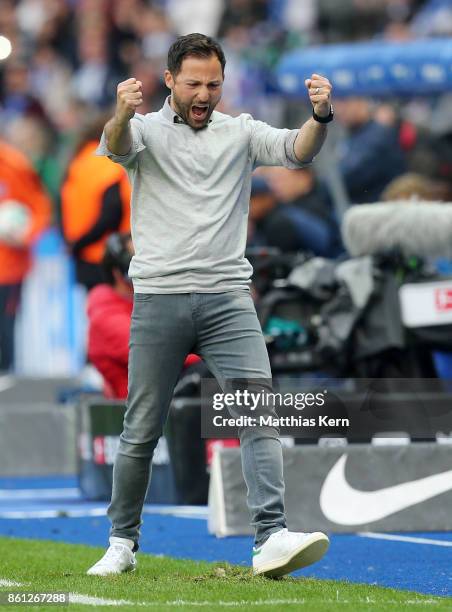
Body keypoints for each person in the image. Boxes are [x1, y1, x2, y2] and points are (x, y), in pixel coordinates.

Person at [87, 33, 333, 578]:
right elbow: (115, 142)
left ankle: (270, 536)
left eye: (214, 84)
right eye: (194, 83)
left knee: (260, 413)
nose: (204, 94)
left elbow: (298, 150)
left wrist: (321, 114)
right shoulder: (144, 130)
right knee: (141, 427)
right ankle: (121, 543)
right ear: (169, 80)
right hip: (159, 297)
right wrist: (121, 112)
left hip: (228, 298)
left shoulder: (240, 131)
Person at [61, 117, 132, 290]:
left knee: (95, 311)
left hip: (83, 254)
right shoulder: (110, 163)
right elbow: (111, 212)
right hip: (108, 255)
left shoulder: (77, 163)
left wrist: (76, 244)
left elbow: (61, 206)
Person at [0, 139, 51, 372]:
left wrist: (26, 235)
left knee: (5, 323)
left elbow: (40, 206)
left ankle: (5, 370)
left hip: (8, 266)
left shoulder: (14, 164)